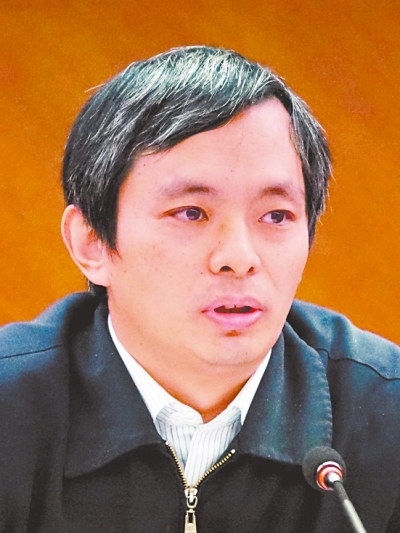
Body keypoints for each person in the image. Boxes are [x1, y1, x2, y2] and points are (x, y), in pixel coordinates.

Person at [1, 46, 399, 533]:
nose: (240, 256)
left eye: (276, 216)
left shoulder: (386, 414)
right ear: (92, 243)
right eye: (191, 213)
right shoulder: (10, 412)